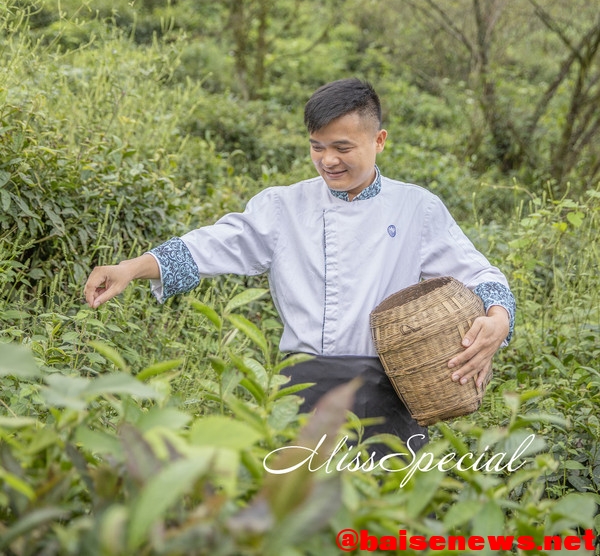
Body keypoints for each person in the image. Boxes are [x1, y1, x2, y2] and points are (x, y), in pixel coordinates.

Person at [84, 78, 515, 450]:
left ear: (379, 140)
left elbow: (479, 274)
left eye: (343, 147)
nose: (328, 160)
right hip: (299, 387)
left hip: (386, 391)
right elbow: (209, 246)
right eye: (317, 147)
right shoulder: (283, 206)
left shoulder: (416, 207)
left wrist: (497, 319)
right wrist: (131, 268)